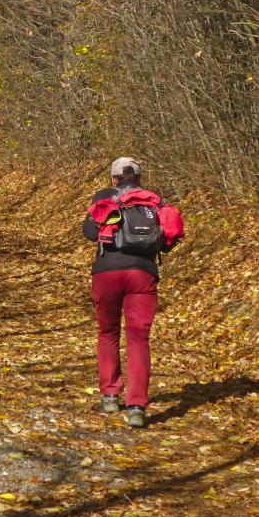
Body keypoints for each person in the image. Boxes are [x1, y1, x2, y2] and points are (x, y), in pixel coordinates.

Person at [82, 157, 184, 427]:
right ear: (139, 178)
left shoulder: (106, 198)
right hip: (143, 274)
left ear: (114, 179)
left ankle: (110, 395)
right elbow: (168, 241)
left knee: (108, 332)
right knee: (139, 338)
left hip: (107, 272)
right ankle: (137, 406)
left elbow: (89, 233)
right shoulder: (154, 201)